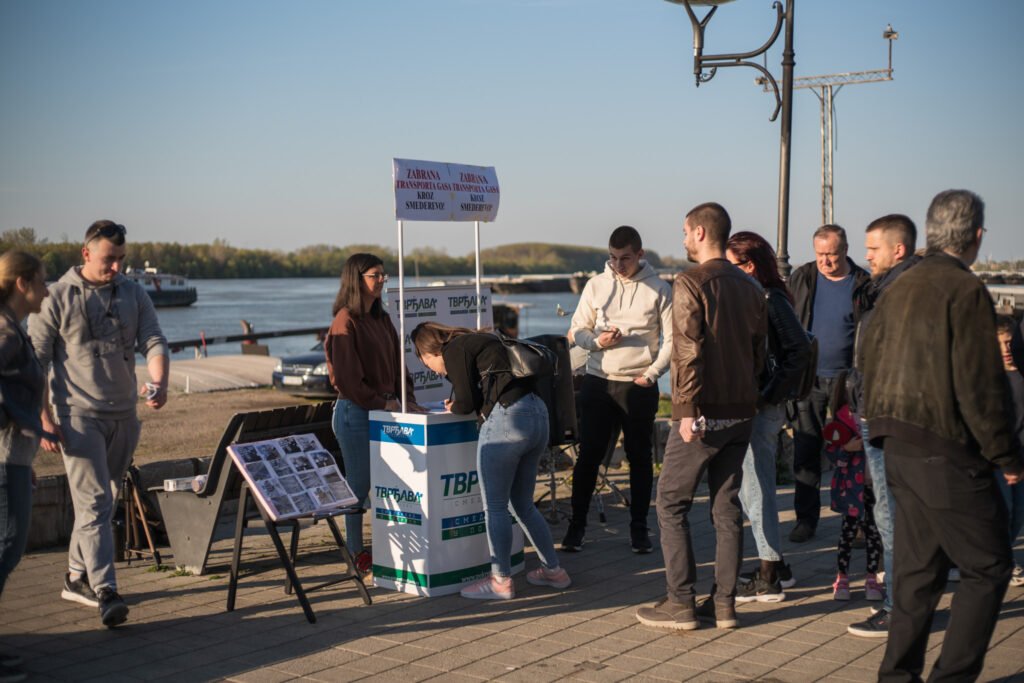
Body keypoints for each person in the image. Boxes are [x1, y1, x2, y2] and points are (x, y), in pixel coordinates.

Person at [863, 189, 1022, 681]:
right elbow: (981, 384)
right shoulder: (963, 288)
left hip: (896, 443)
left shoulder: (897, 285)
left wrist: (879, 425)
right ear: (976, 237)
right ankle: (952, 675)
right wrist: (1007, 455)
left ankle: (897, 675)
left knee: (917, 574)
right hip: (945, 449)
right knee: (989, 566)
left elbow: (865, 359)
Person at [29, 221, 169, 628]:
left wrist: (159, 381)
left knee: (103, 503)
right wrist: (43, 420)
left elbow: (154, 340)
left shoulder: (133, 292)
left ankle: (75, 576)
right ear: (86, 254)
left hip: (124, 415)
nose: (117, 269)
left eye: (122, 260)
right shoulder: (57, 297)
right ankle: (106, 590)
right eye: (110, 260)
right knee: (93, 504)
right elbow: (37, 361)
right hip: (77, 415)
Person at [636, 202, 765, 630]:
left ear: (699, 233)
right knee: (726, 507)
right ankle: (725, 605)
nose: (683, 239)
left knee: (670, 501)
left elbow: (689, 350)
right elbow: (758, 352)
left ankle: (681, 601)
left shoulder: (690, 281)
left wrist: (686, 410)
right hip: (741, 411)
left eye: (685, 232)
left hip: (703, 412)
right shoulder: (749, 287)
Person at [410, 321, 571, 600]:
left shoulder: (455, 349)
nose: (432, 370)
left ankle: (500, 580)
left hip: (506, 420)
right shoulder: (484, 341)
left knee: (495, 507)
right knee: (522, 505)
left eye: (427, 364)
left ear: (427, 352)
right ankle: (554, 571)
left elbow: (466, 402)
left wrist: (453, 404)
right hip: (538, 415)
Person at [563, 225, 672, 554]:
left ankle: (639, 528)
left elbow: (672, 340)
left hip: (639, 383)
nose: (618, 265)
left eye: (625, 258)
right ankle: (576, 527)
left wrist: (652, 374)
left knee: (640, 459)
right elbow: (575, 331)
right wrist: (596, 342)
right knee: (589, 456)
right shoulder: (597, 285)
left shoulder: (659, 290)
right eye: (612, 258)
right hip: (599, 380)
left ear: (640, 254)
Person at [845, 214, 920, 638]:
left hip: (889, 418)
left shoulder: (902, 293)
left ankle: (898, 608)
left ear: (898, 249)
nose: (867, 255)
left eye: (873, 248)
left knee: (891, 516)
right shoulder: (880, 289)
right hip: (874, 412)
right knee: (889, 513)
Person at [725, 231, 810, 602]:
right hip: (759, 403)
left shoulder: (769, 298)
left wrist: (765, 395)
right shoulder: (762, 296)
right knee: (752, 487)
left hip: (762, 407)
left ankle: (769, 574)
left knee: (756, 488)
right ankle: (776, 565)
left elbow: (799, 349)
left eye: (732, 266)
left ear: (749, 265)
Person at [324, 253, 421, 575]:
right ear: (357, 278)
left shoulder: (381, 318)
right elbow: (347, 381)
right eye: (374, 275)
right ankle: (355, 554)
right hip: (356, 414)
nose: (381, 281)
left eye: (383, 275)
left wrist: (407, 399)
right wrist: (384, 403)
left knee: (394, 481)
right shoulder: (345, 321)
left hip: (387, 411)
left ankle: (394, 545)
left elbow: (397, 364)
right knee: (359, 486)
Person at [787, 225, 870, 543]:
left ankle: (858, 523)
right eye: (820, 254)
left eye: (832, 254)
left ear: (845, 250)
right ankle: (805, 520)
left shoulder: (862, 283)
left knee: (851, 455)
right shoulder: (804, 277)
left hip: (847, 382)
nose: (825, 261)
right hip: (808, 380)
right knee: (805, 450)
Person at [1, 251, 50, 681]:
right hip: (3, 460)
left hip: (13, 459)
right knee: (8, 545)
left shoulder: (12, 328)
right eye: (42, 281)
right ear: (22, 284)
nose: (47, 290)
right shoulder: (6, 334)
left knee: (9, 546)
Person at [822, 389, 883, 603]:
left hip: (873, 484)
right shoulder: (842, 418)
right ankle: (842, 577)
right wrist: (847, 448)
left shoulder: (878, 415)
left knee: (874, 532)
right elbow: (831, 451)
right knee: (847, 532)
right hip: (850, 486)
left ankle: (872, 577)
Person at [996, 315, 1024, 588]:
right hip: (999, 458)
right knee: (1003, 510)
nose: (1006, 350)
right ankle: (1001, 561)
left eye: (1010, 343)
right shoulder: (990, 376)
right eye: (1000, 344)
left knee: (1018, 514)